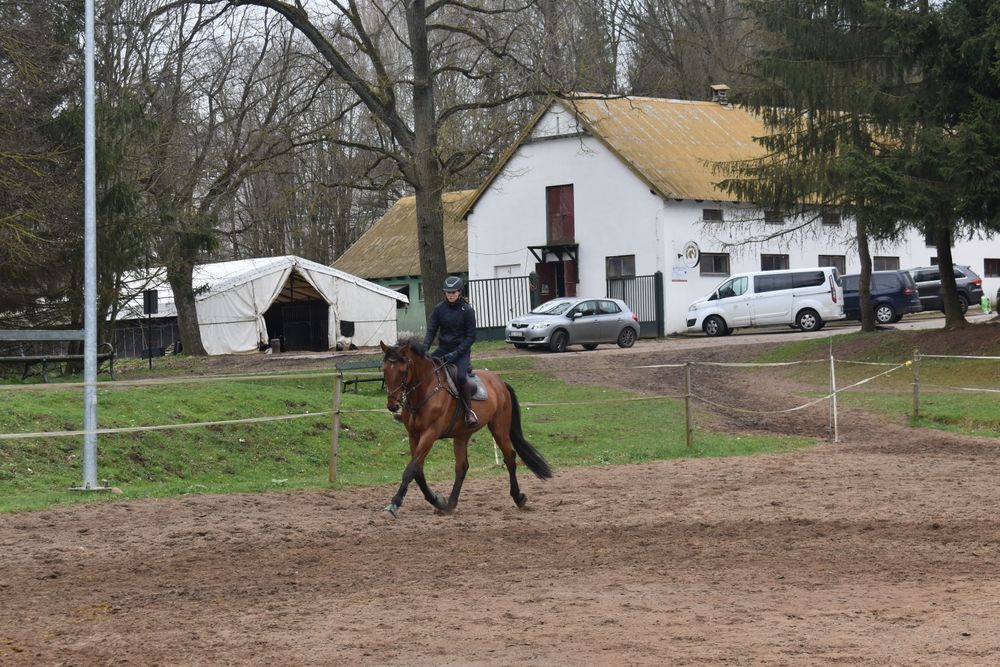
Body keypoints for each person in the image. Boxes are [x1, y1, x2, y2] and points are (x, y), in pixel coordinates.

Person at [424, 275, 479, 426]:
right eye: (448, 292)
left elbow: (471, 337)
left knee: (461, 377)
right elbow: (431, 331)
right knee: (423, 370)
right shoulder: (439, 309)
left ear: (460, 292)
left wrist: (455, 354)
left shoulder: (467, 310)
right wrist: (424, 350)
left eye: (453, 292)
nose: (451, 295)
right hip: (443, 349)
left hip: (461, 352)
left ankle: (469, 411)